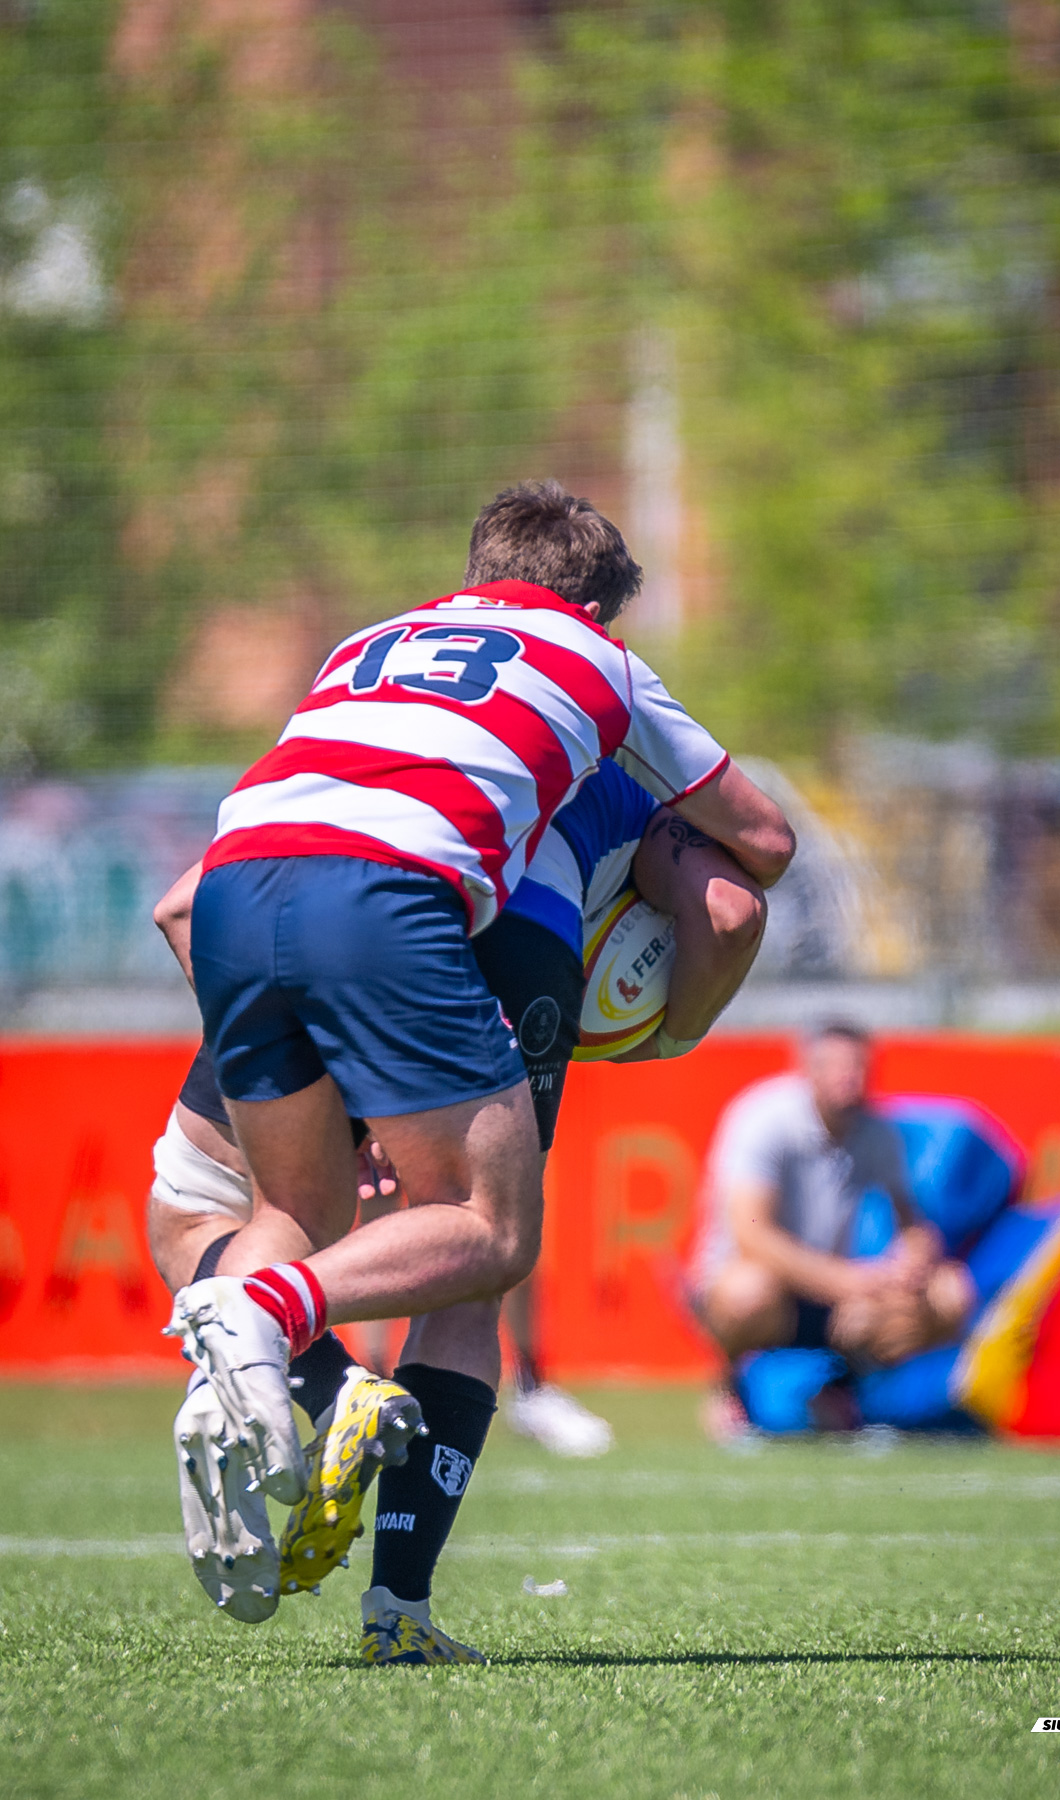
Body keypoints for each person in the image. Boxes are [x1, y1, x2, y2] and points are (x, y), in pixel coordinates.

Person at [157, 481, 793, 1662]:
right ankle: (391, 1598)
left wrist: (335, 1076)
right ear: (603, 605)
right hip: (438, 921)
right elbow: (745, 879)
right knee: (483, 1249)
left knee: (254, 1212)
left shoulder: (367, 650)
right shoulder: (595, 671)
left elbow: (176, 905)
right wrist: (666, 1034)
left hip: (242, 890)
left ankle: (268, 1367)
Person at [689, 1022, 971, 1443]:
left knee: (950, 1292)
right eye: (836, 1066)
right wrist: (845, 1281)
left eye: (858, 1066)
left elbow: (911, 1223)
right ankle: (732, 1390)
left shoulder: (876, 1133)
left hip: (835, 1297)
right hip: (761, 1289)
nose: (848, 1078)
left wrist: (915, 1257)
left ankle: (845, 1392)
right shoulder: (764, 1118)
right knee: (749, 1292)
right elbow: (751, 1233)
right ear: (807, 1070)